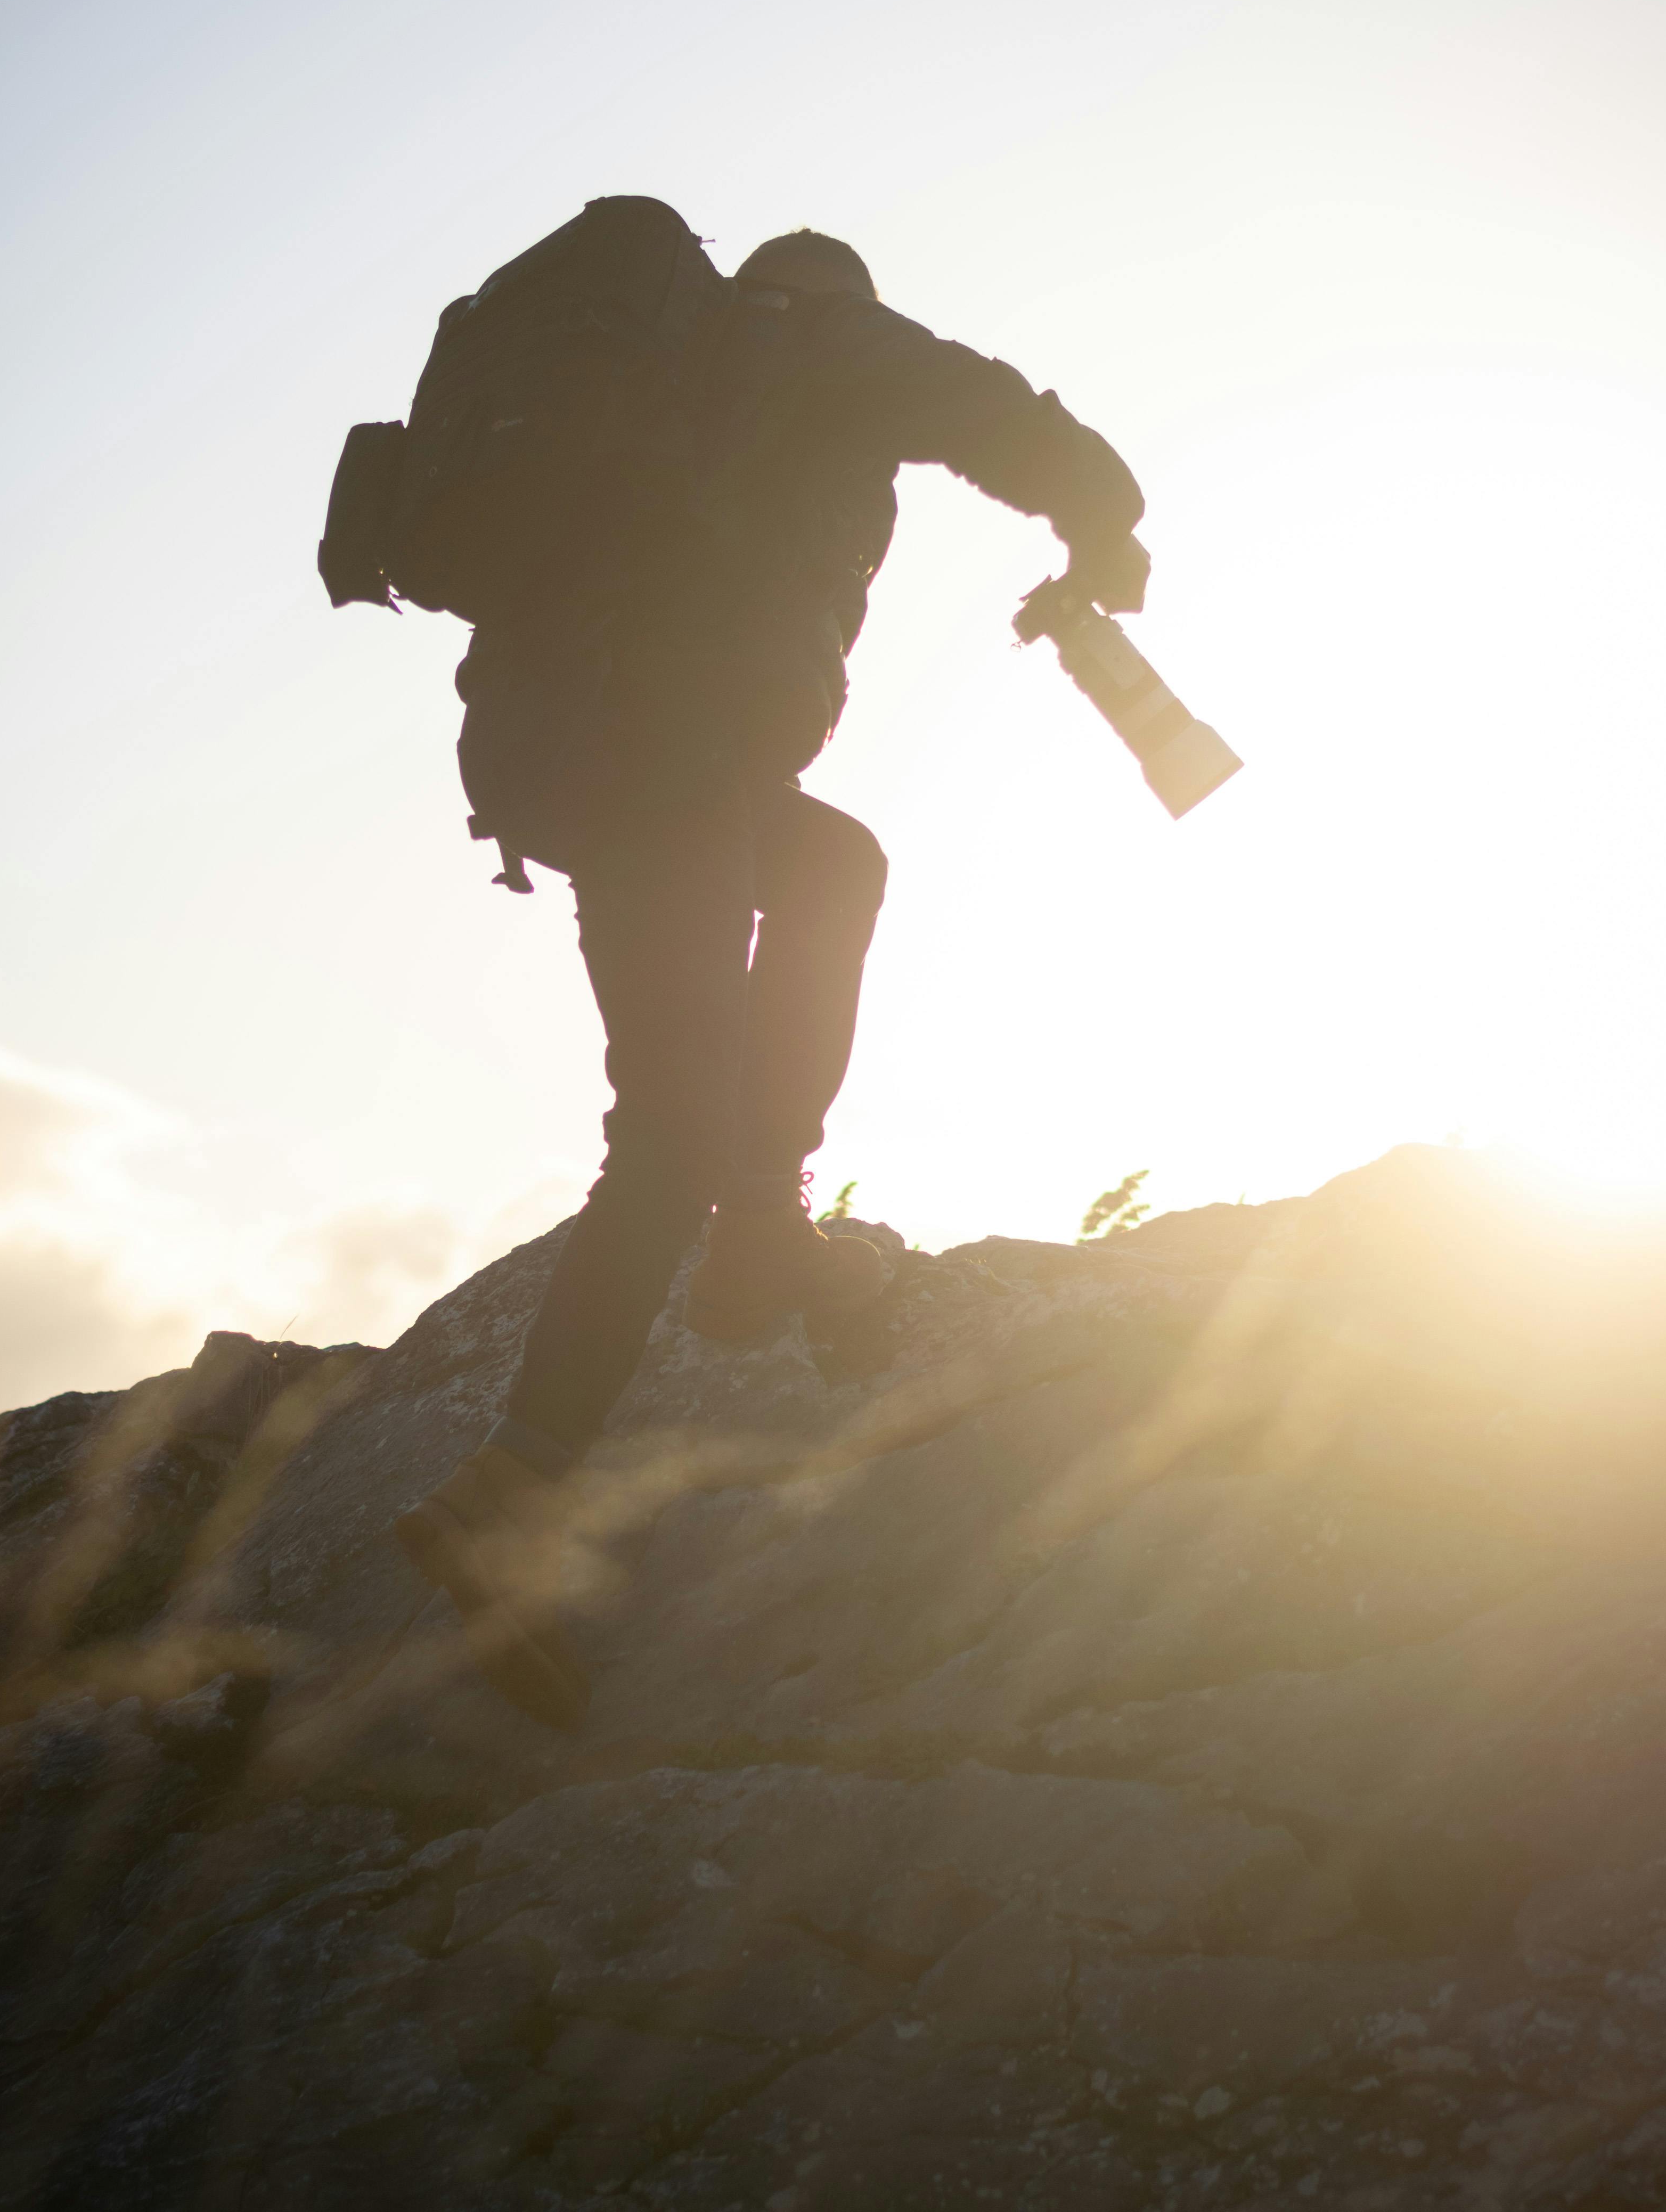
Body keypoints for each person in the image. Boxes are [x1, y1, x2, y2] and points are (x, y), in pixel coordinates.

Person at [394, 222, 1149, 1728]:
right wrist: (1108, 525)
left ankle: (762, 1228)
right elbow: (997, 413)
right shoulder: (816, 346)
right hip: (673, 763)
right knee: (665, 1136)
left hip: (578, 757)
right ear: (834, 301)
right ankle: (514, 1487)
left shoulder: (658, 374)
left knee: (832, 870)